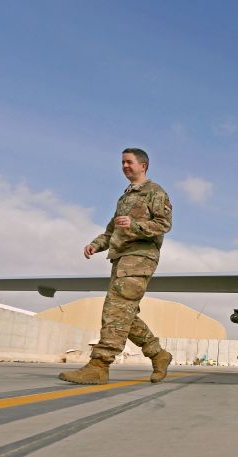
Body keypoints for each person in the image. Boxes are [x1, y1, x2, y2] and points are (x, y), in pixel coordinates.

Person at [59, 148, 173, 385]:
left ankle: (99, 366)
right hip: (121, 258)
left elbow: (164, 224)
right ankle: (158, 354)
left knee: (115, 310)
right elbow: (112, 231)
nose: (125, 166)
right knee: (124, 314)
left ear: (144, 166)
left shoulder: (155, 192)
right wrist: (95, 244)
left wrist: (135, 224)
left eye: (129, 162)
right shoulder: (124, 198)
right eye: (122, 162)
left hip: (140, 257)